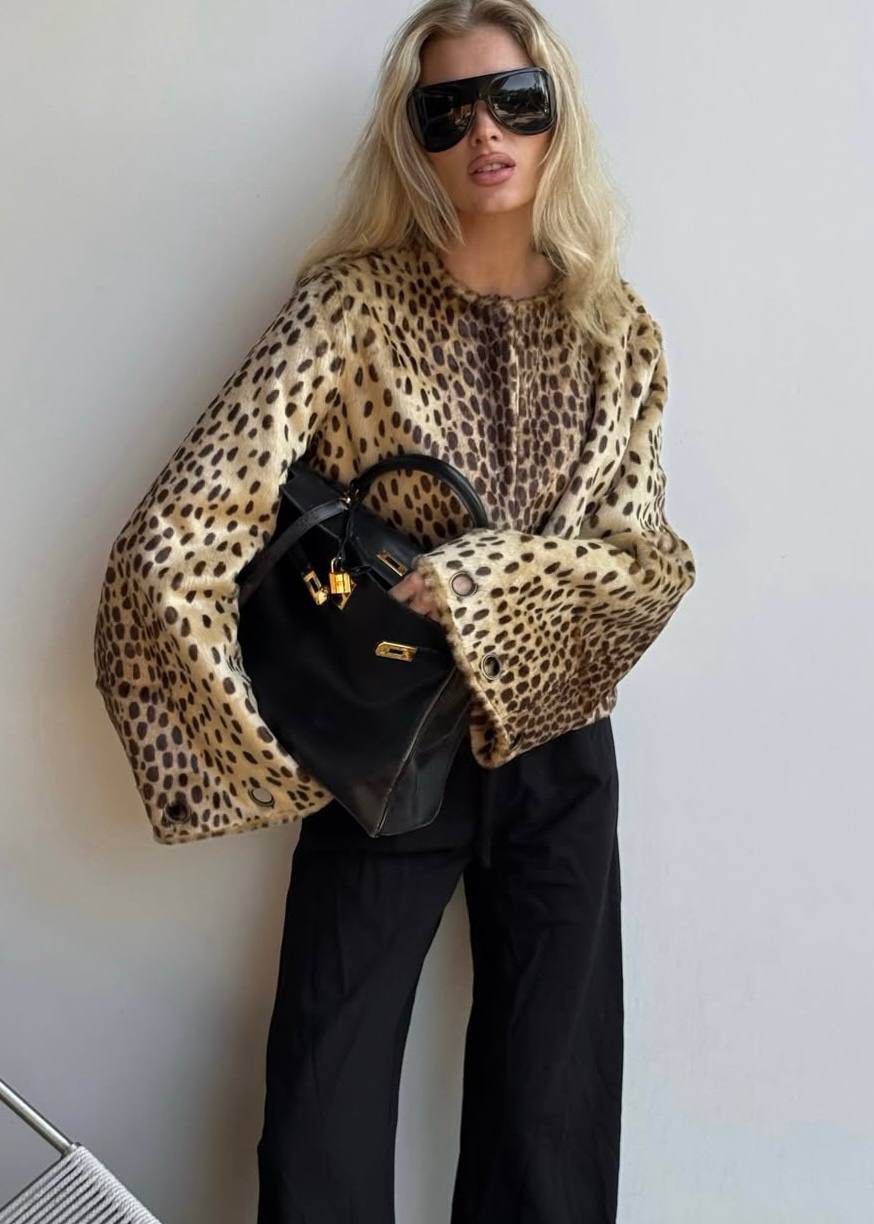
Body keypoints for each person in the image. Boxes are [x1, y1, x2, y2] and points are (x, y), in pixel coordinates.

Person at [92, 1, 697, 1220]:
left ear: (557, 117)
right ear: (410, 138)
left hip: (559, 747)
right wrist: (263, 757)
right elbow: (177, 538)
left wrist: (484, 582)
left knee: (552, 1120)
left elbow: (647, 567)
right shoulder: (349, 309)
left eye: (515, 101)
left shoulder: (615, 329)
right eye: (446, 111)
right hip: (383, 747)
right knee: (324, 1102)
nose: (486, 133)